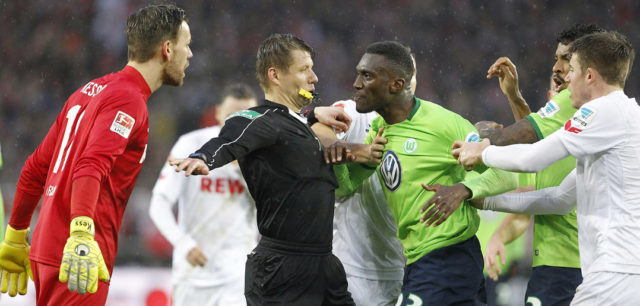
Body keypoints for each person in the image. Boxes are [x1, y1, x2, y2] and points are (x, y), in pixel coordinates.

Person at [0, 4, 192, 304]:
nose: (190, 54)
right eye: (186, 45)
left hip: (47, 248)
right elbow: (91, 166)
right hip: (79, 256)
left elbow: (36, 167)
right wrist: (80, 234)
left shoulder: (89, 90)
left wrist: (15, 235)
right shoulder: (130, 100)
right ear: (167, 49)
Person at [169, 33, 373, 305]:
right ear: (275, 75)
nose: (314, 78)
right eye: (304, 70)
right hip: (282, 270)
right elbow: (231, 135)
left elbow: (288, 122)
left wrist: (311, 115)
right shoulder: (258, 120)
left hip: (323, 263)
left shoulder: (297, 122)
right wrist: (205, 156)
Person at [420, 24, 604, 306]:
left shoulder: (575, 101)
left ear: (585, 65)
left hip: (566, 259)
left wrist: (481, 148)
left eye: (565, 59)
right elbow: (537, 146)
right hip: (582, 258)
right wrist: (515, 98)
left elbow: (525, 154)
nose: (556, 67)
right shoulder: (595, 110)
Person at [455, 31, 640, 304]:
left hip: (613, 273)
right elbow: (559, 199)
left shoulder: (601, 111)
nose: (565, 78)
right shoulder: (621, 117)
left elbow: (533, 158)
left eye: (572, 70)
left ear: (589, 76)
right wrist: (485, 201)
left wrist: (483, 151)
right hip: (622, 272)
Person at [331, 41, 518, 305]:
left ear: (396, 84)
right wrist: (340, 159)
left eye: (367, 75)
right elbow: (346, 187)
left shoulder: (443, 124)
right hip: (419, 262)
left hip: (448, 256)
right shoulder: (380, 129)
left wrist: (462, 190)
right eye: (359, 73)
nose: (357, 83)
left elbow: (507, 174)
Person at [149, 83, 259, 306]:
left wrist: (246, 170)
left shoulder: (262, 154)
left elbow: (274, 210)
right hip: (192, 274)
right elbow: (159, 203)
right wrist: (182, 243)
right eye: (231, 116)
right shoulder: (190, 145)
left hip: (238, 275)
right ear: (217, 113)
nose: (238, 125)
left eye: (245, 118)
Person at [321, 51, 417, 305]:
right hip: (350, 264)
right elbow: (316, 131)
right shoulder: (355, 111)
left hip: (402, 266)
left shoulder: (427, 127)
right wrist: (356, 151)